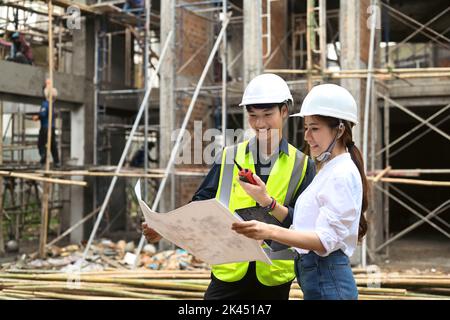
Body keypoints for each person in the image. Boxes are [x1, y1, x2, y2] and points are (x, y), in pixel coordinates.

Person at [143, 73, 316, 300]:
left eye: (267, 115)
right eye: (253, 116)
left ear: (284, 112)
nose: (260, 123)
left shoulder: (302, 165)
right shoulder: (228, 157)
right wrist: (166, 228)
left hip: (273, 276)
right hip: (229, 269)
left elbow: (304, 223)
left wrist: (270, 205)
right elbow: (200, 207)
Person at [232, 83, 369, 300]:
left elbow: (324, 241)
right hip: (318, 278)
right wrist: (266, 200)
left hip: (328, 278)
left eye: (314, 128)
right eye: (306, 128)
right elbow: (303, 224)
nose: (307, 136)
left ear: (340, 129)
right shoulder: (329, 169)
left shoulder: (341, 173)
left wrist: (268, 231)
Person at [33, 80, 60, 167]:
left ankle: (43, 158)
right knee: (53, 145)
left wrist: (37, 117)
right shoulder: (53, 105)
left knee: (41, 144)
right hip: (52, 127)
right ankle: (57, 162)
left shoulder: (45, 104)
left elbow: (43, 114)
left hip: (45, 127)